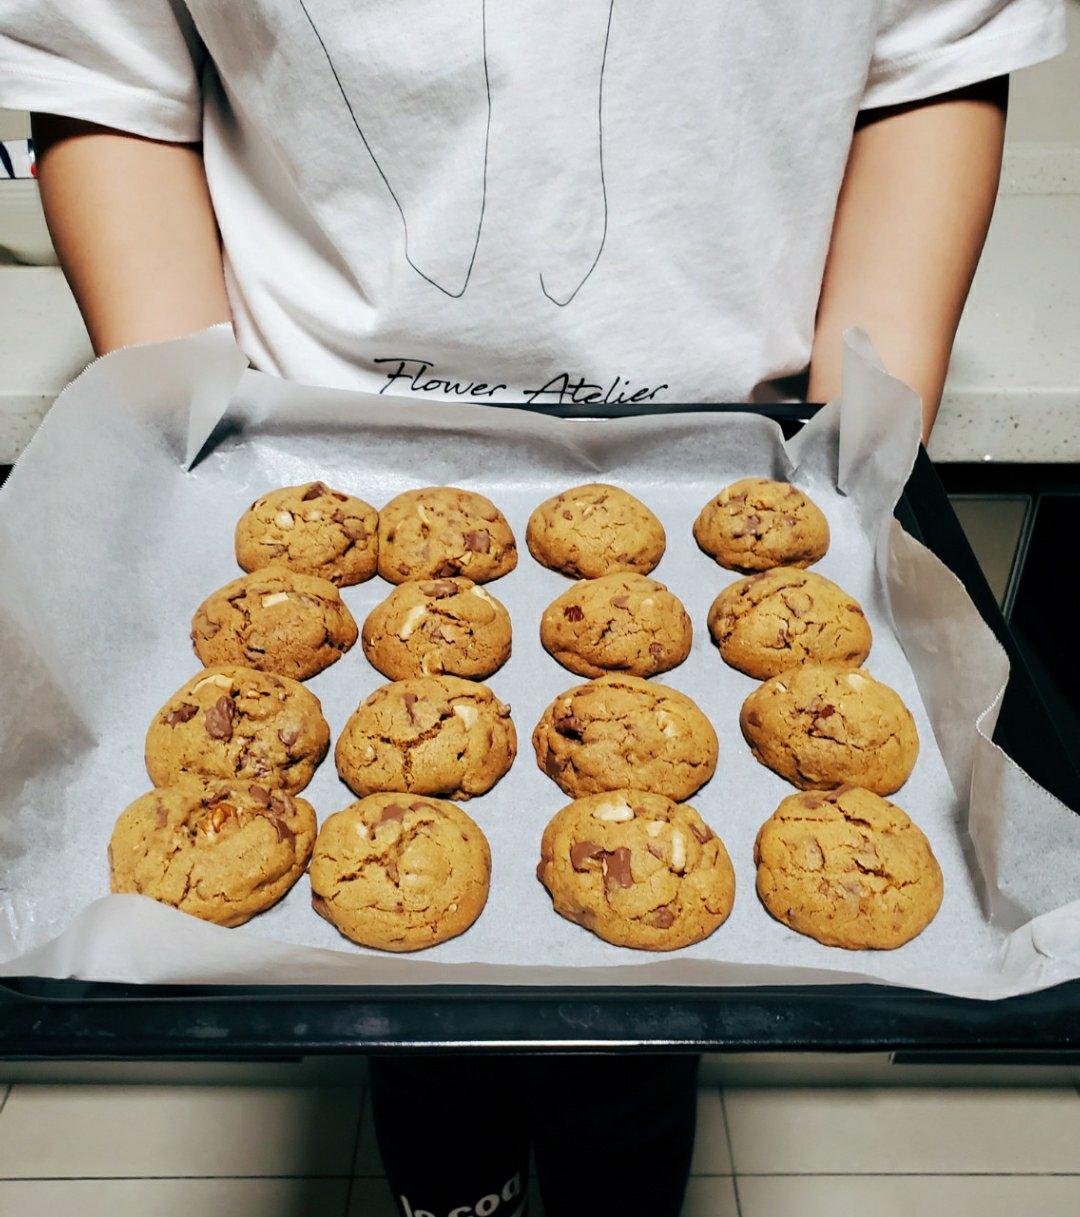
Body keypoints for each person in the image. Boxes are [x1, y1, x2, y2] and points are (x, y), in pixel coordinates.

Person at [0, 2, 1064, 1214]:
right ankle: (454, 1187)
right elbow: (114, 83)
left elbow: (937, 61)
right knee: (408, 1042)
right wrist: (199, 447)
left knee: (638, 1053)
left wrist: (844, 464)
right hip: (304, 441)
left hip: (737, 441)